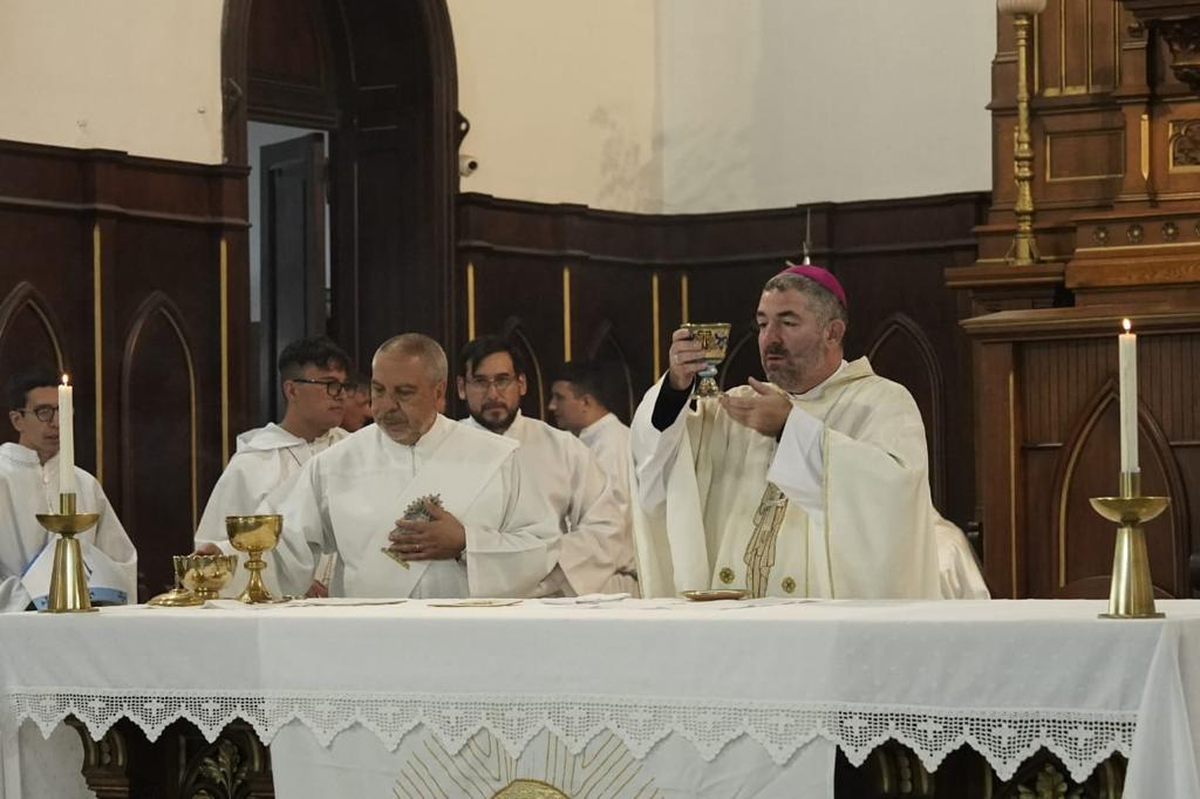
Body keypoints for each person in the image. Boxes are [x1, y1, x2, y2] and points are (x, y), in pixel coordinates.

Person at [630, 264, 949, 599]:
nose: (770, 338)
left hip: (825, 629)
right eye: (763, 323)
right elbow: (659, 467)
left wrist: (790, 429)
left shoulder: (881, 402)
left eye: (788, 322)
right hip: (729, 626)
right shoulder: (737, 406)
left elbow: (892, 500)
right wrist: (676, 389)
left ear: (833, 332)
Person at [268, 333, 561, 598]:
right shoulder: (336, 463)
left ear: (438, 392)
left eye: (404, 393)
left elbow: (541, 547)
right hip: (370, 638)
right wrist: (227, 561)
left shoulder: (497, 458)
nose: (386, 406)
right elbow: (281, 544)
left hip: (469, 637)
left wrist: (467, 544)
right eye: (378, 390)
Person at [458, 337, 635, 596]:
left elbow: (607, 527)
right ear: (462, 387)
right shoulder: (444, 450)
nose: (493, 393)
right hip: (467, 599)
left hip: (549, 600)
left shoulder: (562, 448)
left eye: (503, 380)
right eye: (481, 381)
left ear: (522, 384)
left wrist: (545, 570)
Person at [194, 336, 351, 596]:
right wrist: (289, 581)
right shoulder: (252, 464)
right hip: (283, 610)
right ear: (292, 390)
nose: (341, 395)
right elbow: (216, 551)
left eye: (344, 386)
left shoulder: (355, 451)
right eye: (329, 385)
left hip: (353, 601)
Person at [0, 373, 136, 612]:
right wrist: (23, 598)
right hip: (14, 619)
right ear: (17, 420)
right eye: (44, 412)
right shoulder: (4, 477)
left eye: (62, 410)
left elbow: (119, 560)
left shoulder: (84, 483)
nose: (55, 422)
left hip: (81, 616)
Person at [548, 360, 634, 581]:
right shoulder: (585, 441)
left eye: (559, 398)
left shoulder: (612, 444)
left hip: (611, 573)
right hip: (593, 566)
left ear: (586, 401)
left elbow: (614, 519)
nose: (551, 406)